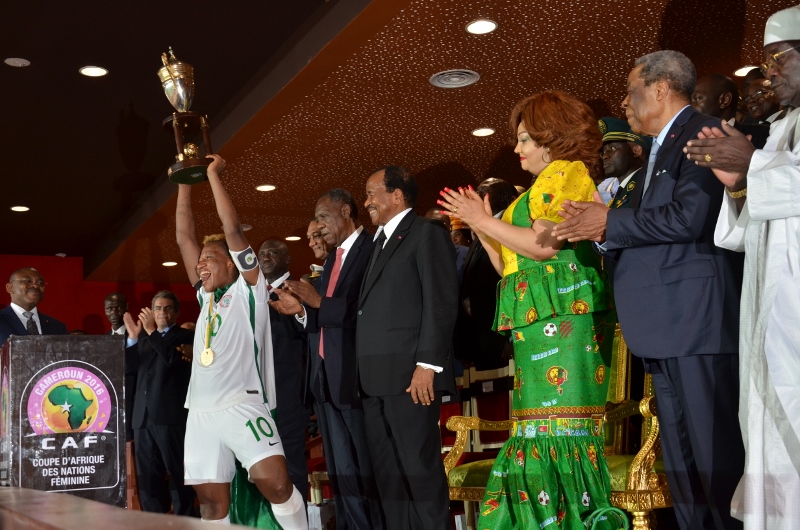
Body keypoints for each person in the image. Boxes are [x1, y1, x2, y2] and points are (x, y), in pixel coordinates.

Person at [553, 51, 745, 530]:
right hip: (662, 326)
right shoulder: (658, 149)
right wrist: (596, 227)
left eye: (631, 89)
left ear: (661, 89)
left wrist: (609, 221)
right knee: (681, 465)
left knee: (715, 460)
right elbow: (644, 229)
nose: (625, 101)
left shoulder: (702, 133)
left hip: (695, 322)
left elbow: (691, 217)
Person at [440, 90, 617, 529]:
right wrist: (483, 227)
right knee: (536, 430)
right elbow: (509, 267)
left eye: (524, 139)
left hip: (567, 325)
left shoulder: (567, 172)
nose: (516, 149)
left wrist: (484, 222)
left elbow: (545, 248)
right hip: (537, 330)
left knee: (560, 430)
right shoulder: (533, 192)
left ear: (551, 139)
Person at [682, 6, 800, 527]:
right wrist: (738, 181)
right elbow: (748, 229)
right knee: (767, 422)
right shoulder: (779, 130)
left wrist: (751, 165)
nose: (769, 72)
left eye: (780, 58)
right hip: (771, 304)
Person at [175, 153, 307, 528]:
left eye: (211, 259)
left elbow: (232, 231)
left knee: (278, 486)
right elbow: (184, 236)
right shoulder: (204, 296)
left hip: (242, 405)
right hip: (200, 412)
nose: (202, 265)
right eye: (200, 261)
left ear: (232, 264)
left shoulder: (250, 290)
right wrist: (185, 179)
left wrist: (213, 175)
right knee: (211, 505)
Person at [271, 188, 383, 530]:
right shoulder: (333, 259)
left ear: (347, 211)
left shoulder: (373, 250)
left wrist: (317, 303)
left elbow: (369, 312)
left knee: (367, 473)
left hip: (355, 377)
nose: (318, 227)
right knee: (342, 475)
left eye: (323, 217)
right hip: (323, 381)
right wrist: (301, 312)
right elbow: (323, 318)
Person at [357, 166, 457, 530]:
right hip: (373, 379)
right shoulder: (377, 242)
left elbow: (440, 302)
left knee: (420, 472)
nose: (366, 202)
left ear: (397, 195)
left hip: (410, 377)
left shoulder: (425, 234)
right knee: (390, 479)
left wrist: (428, 364)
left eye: (372, 193)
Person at [123, 290, 196, 515]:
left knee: (177, 473)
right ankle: (154, 521)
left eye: (167, 308)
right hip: (142, 418)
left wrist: (152, 332)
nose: (162, 312)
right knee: (148, 476)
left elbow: (174, 362)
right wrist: (134, 339)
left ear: (176, 312)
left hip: (170, 416)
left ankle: (185, 520)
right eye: (157, 308)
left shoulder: (186, 337)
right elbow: (129, 370)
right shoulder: (144, 338)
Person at [257, 239, 309, 503]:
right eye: (262, 253)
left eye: (273, 252)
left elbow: (308, 334)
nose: (265, 257)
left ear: (287, 259)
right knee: (262, 472)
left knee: (292, 468)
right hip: (256, 399)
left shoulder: (301, 288)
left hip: (289, 395)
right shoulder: (252, 294)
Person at [454, 178, 518, 370]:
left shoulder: (512, 225)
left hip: (503, 338)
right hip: (482, 336)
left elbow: (514, 281)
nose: (479, 198)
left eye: (485, 193)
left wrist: (509, 338)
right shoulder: (481, 231)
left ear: (506, 197)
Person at [691, 73, 769, 148]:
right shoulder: (691, 141)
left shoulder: (763, 134)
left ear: (725, 100)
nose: (691, 107)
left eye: (697, 99)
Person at [1, 267, 67, 345]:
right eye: (28, 281)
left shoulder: (57, 327)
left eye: (40, 283)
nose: (35, 286)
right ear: (10, 288)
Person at [104, 292, 138, 442]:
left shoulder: (140, 336)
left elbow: (135, 367)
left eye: (118, 308)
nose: (113, 312)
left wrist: (133, 339)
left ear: (127, 308)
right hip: (109, 409)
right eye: (109, 309)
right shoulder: (101, 340)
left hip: (133, 406)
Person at [595, 117, 649, 208]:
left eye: (613, 148)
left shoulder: (645, 184)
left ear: (636, 151)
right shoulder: (622, 190)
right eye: (603, 152)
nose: (605, 156)